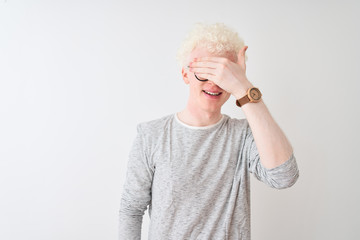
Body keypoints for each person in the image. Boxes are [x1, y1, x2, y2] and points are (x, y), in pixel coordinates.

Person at [119, 22, 299, 240]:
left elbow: (284, 177)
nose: (214, 84)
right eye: (205, 72)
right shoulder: (151, 135)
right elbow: (132, 209)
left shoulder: (243, 135)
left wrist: (244, 87)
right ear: (185, 74)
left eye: (224, 76)